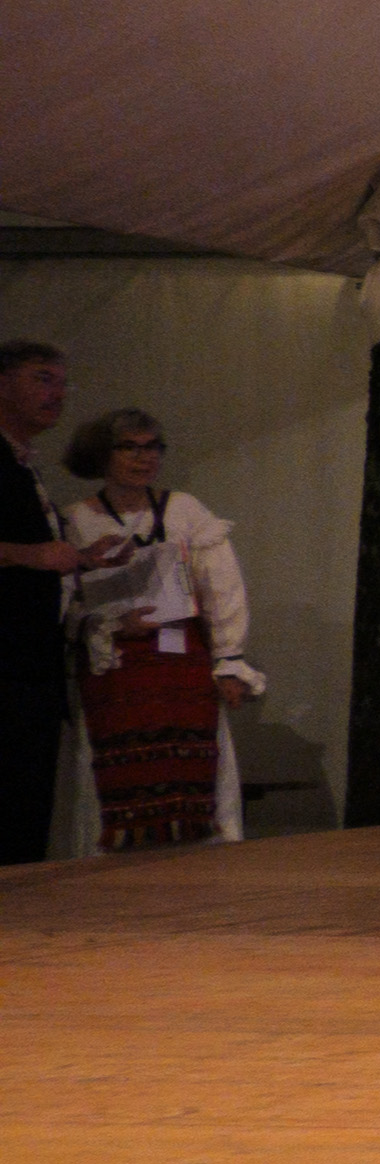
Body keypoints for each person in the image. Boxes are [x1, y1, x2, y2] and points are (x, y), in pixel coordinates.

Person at [58, 409, 262, 850]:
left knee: (199, 770)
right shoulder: (76, 521)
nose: (143, 457)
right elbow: (65, 603)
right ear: (102, 454)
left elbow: (223, 587)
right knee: (110, 775)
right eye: (129, 446)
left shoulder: (185, 509)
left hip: (181, 664)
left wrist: (230, 659)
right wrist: (111, 623)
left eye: (152, 446)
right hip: (112, 669)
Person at [1, 341, 130, 865]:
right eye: (42, 379)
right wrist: (32, 553)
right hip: (7, 669)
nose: (57, 394)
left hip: (28, 668)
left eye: (62, 383)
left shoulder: (20, 464)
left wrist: (79, 558)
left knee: (24, 810)